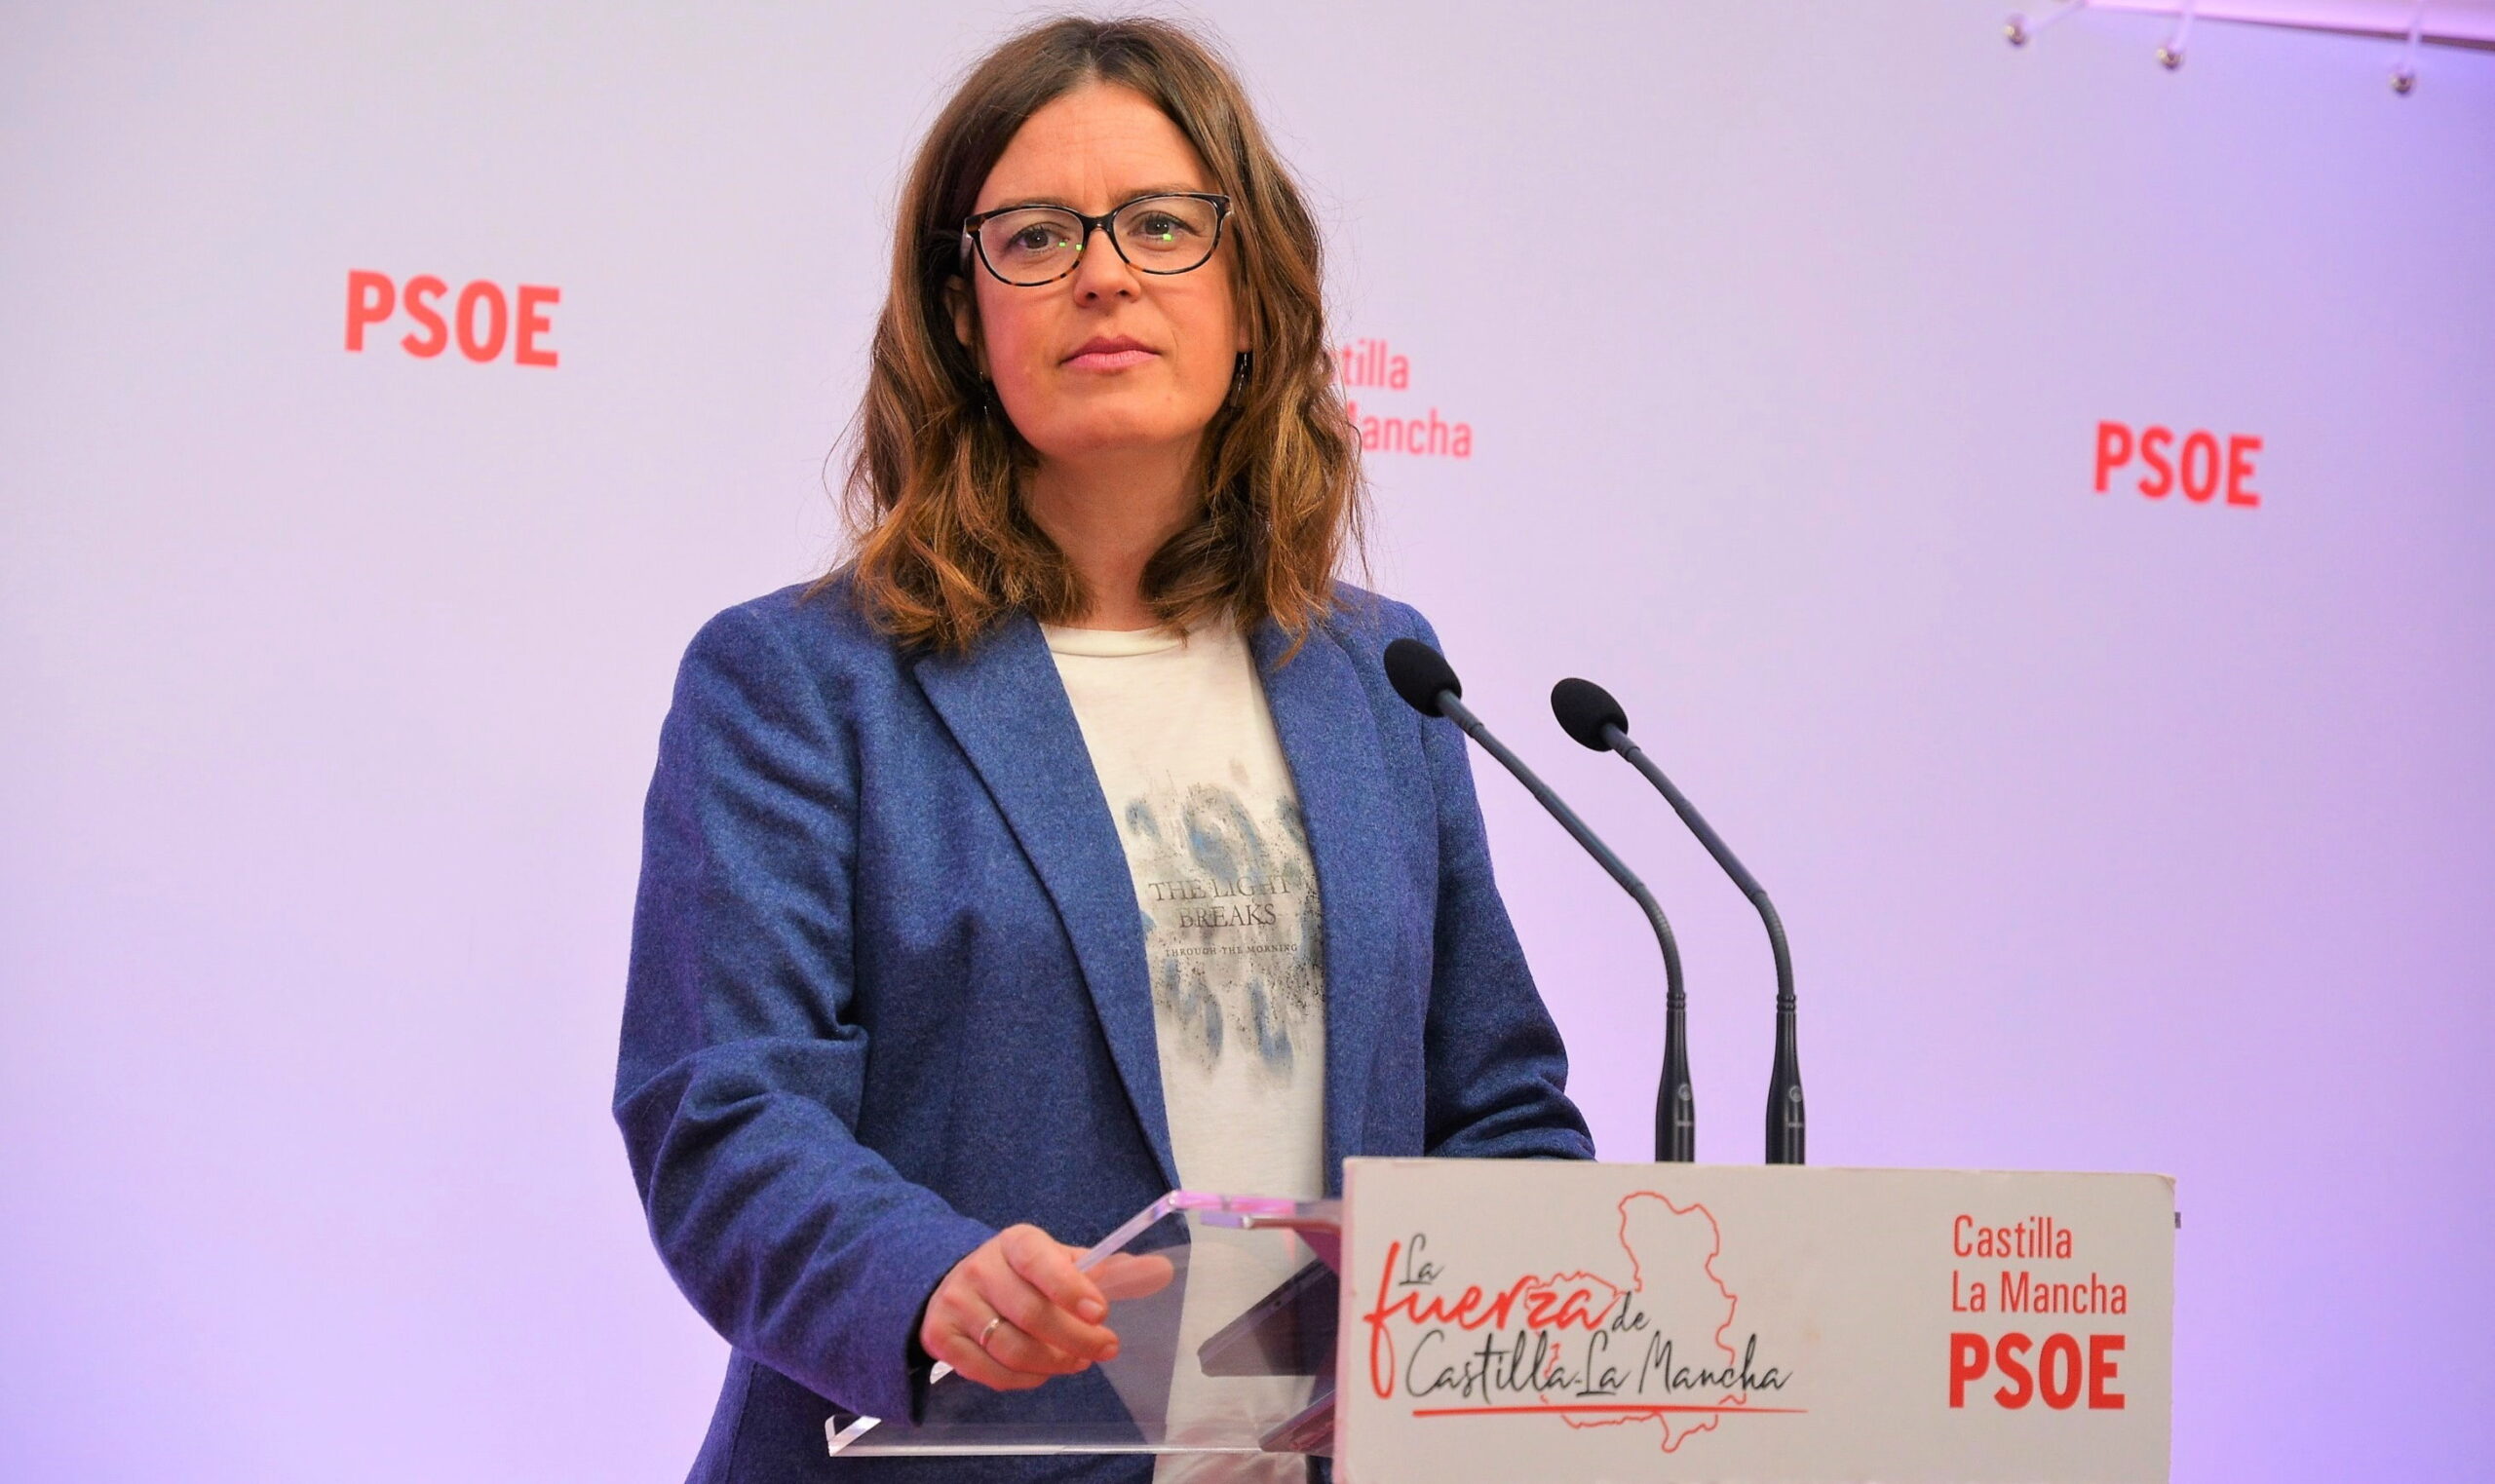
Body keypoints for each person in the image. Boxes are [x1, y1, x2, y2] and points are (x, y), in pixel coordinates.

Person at [613, 16, 1593, 1483]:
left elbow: (1499, 1112)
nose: (1104, 273)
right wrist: (930, 1276)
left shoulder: (1380, 682)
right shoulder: (801, 684)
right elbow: (724, 1110)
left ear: (1254, 289)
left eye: (1160, 223)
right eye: (1034, 237)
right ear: (963, 315)